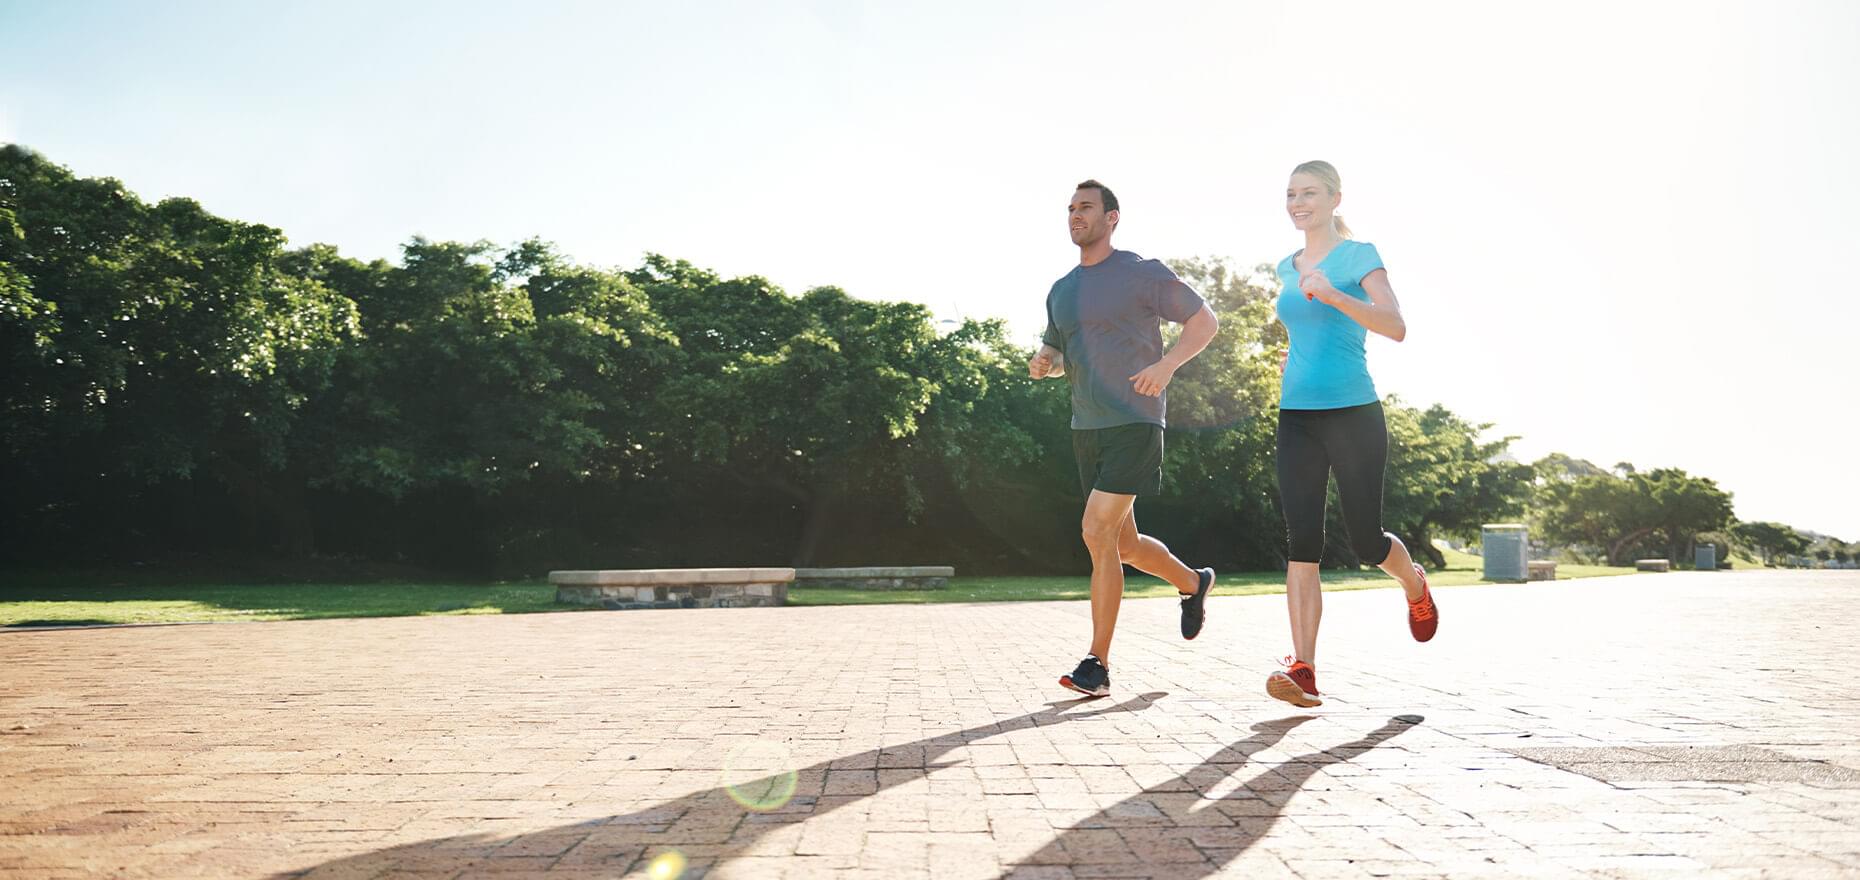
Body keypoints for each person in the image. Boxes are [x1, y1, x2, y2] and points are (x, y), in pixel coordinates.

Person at [1029, 179, 1220, 697]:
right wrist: (1047, 363)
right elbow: (1065, 356)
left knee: (1096, 532)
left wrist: (1167, 365)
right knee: (1126, 543)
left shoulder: (1142, 274)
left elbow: (1205, 322)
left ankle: (1098, 663)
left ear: (1112, 217)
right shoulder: (1061, 290)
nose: (1075, 215)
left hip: (1136, 419)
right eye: (1070, 208)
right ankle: (1192, 583)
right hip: (1086, 427)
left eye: (1086, 207)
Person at [1265, 160, 1438, 709]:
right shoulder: (1284, 266)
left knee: (1365, 540)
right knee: (1301, 541)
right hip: (1296, 417)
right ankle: (1305, 668)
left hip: (1353, 413)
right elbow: (1304, 336)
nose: (1298, 202)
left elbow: (1396, 326)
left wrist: (1334, 295)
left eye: (1309, 192)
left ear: (1336, 198)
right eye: (1291, 193)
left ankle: (1413, 584)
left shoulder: (1359, 256)